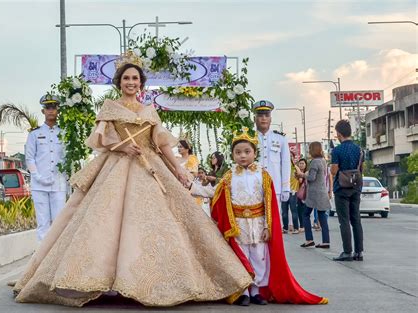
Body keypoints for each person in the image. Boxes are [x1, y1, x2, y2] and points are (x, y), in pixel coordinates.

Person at [13, 52, 252, 307]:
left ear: (141, 83)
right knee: (102, 221)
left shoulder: (149, 110)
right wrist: (122, 147)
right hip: (117, 166)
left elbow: (161, 145)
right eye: (126, 78)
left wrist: (179, 171)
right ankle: (99, 278)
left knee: (160, 223)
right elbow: (102, 139)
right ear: (119, 82)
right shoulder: (110, 108)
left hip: (151, 167)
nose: (131, 82)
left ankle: (160, 280)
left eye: (135, 78)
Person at [211, 128, 328, 306]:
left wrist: (268, 226)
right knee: (241, 257)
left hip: (258, 223)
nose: (242, 156)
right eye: (238, 152)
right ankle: (243, 292)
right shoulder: (228, 176)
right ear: (232, 155)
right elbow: (215, 195)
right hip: (238, 224)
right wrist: (191, 186)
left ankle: (257, 291)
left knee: (259, 256)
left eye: (247, 151)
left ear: (255, 153)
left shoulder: (263, 175)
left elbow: (269, 203)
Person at [25, 95, 67, 242]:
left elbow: (68, 158)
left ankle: (56, 256)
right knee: (43, 223)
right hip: (39, 185)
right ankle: (42, 257)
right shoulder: (35, 134)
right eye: (48, 107)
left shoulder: (65, 133)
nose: (51, 111)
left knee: (59, 223)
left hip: (58, 184)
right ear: (43, 111)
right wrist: (37, 176)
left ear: (58, 110)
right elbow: (29, 158)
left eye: (54, 107)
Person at [252, 100, 291, 228]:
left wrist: (285, 187)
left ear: (270, 118)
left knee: (273, 223)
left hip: (275, 187)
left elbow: (285, 164)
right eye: (260, 115)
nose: (263, 118)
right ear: (255, 118)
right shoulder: (249, 138)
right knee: (256, 222)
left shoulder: (280, 139)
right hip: (253, 187)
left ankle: (274, 248)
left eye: (266, 115)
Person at [330, 120, 364, 262]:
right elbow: (362, 168)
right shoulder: (359, 149)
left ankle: (347, 252)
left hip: (341, 188)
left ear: (338, 133)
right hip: (356, 186)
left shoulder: (337, 150)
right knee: (356, 218)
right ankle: (359, 252)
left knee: (344, 220)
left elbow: (333, 170)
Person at [295, 142, 331, 249]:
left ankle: (309, 239)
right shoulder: (323, 161)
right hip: (322, 191)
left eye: (310, 148)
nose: (309, 151)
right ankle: (326, 241)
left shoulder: (314, 162)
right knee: (322, 216)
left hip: (314, 193)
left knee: (305, 215)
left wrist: (302, 174)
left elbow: (311, 178)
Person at [282, 151, 300, 234]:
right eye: (287, 156)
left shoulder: (295, 167)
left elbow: (300, 179)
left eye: (291, 156)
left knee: (294, 211)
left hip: (293, 192)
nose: (289, 158)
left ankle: (296, 228)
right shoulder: (282, 168)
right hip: (284, 191)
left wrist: (297, 177)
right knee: (284, 212)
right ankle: (285, 228)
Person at [295, 158, 308, 232]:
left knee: (305, 210)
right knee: (299, 210)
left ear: (306, 165)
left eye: (303, 163)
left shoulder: (306, 173)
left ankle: (305, 225)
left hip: (306, 194)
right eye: (300, 163)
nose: (301, 165)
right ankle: (302, 225)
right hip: (298, 194)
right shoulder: (296, 172)